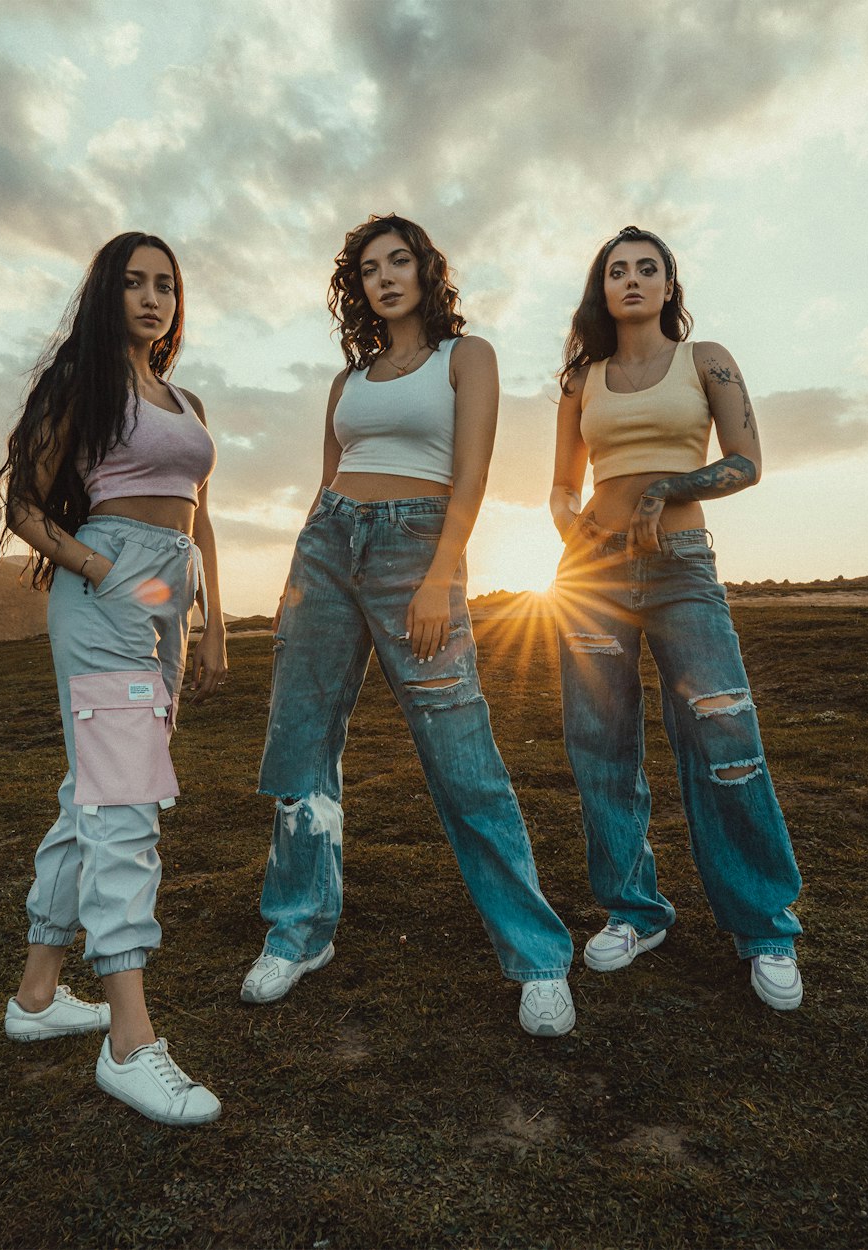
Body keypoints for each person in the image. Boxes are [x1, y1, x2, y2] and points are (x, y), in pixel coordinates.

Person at [240, 213, 575, 1037]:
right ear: (356, 287)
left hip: (416, 546)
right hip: (327, 548)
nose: (385, 277)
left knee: (463, 757)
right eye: (367, 268)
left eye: (399, 261)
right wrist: (298, 578)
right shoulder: (346, 379)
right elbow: (329, 483)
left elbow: (472, 475)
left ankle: (537, 958)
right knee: (301, 741)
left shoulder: (468, 357)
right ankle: (299, 929)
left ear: (427, 271)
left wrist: (440, 575)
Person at [0, 231, 226, 1123]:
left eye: (166, 284)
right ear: (106, 295)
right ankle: (130, 1042)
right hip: (112, 586)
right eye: (134, 282)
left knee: (92, 787)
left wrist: (209, 626)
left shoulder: (183, 397)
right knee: (122, 799)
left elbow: (203, 516)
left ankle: (38, 995)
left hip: (171, 590)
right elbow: (26, 506)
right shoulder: (83, 387)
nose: (153, 297)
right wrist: (96, 570)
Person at [550, 225, 803, 1011]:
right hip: (590, 577)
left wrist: (667, 491)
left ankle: (764, 925)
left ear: (668, 286)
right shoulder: (581, 378)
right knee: (601, 745)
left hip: (682, 566)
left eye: (647, 269)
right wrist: (574, 527)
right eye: (617, 270)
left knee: (723, 732)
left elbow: (747, 461)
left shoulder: (707, 359)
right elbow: (560, 485)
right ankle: (634, 910)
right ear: (603, 287)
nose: (632, 279)